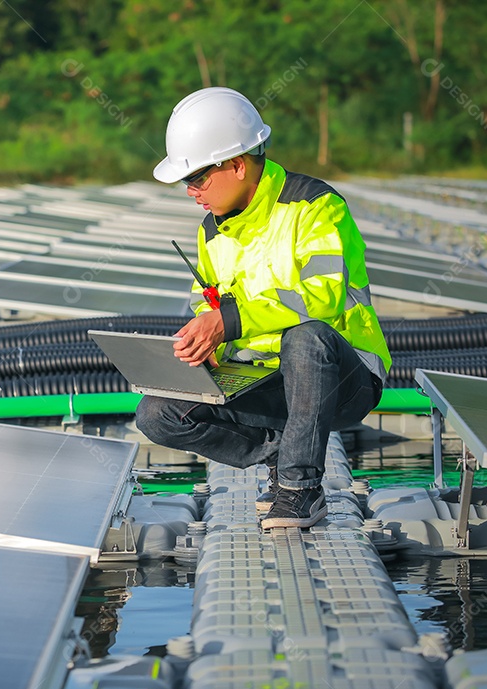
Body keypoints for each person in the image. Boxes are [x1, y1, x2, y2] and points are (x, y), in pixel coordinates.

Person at [135, 87, 391, 530]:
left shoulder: (315, 206)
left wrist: (229, 321)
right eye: (186, 182)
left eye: (196, 177)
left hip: (338, 377)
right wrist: (207, 340)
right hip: (264, 380)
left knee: (306, 338)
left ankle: (299, 488)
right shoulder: (212, 231)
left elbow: (322, 298)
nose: (191, 191)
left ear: (236, 164)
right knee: (158, 413)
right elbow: (209, 299)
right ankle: (287, 450)